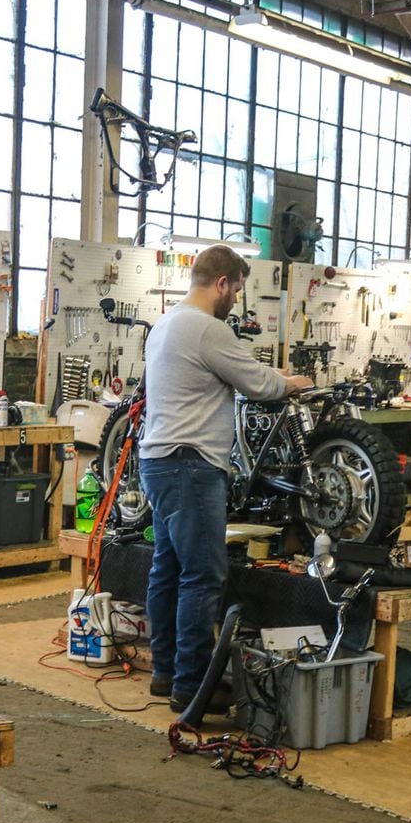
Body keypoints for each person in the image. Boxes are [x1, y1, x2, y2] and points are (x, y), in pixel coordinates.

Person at [139, 245, 313, 714]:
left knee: (167, 569)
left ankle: (165, 673)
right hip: (191, 466)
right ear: (221, 283)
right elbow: (259, 385)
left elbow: (232, 371)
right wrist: (294, 382)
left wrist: (266, 372)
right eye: (236, 289)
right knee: (203, 575)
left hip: (159, 462)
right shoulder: (207, 329)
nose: (236, 298)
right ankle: (192, 686)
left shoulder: (166, 324)